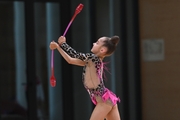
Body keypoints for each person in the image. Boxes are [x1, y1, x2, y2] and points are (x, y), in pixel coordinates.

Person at [49, 35, 121, 120]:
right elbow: (70, 60)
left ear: (102, 50)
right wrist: (58, 47)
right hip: (107, 100)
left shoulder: (93, 59)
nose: (94, 43)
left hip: (104, 101)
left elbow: (75, 55)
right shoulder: (92, 62)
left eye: (97, 43)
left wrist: (63, 44)